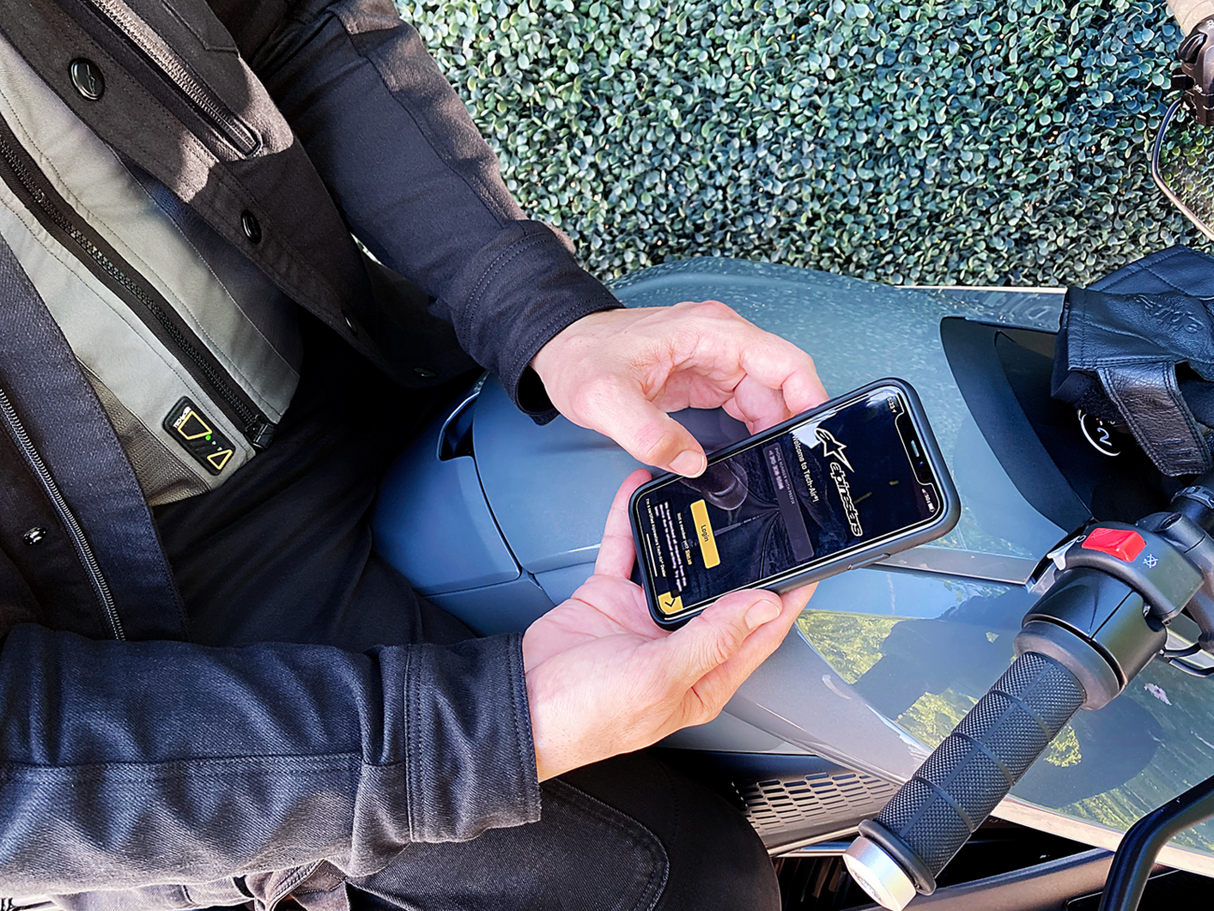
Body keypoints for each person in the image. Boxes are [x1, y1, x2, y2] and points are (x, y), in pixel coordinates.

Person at [0, 0, 826, 908]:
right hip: (160, 640)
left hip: (356, 351)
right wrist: (477, 734)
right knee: (686, 878)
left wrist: (542, 309)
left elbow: (292, 23)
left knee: (766, 484)